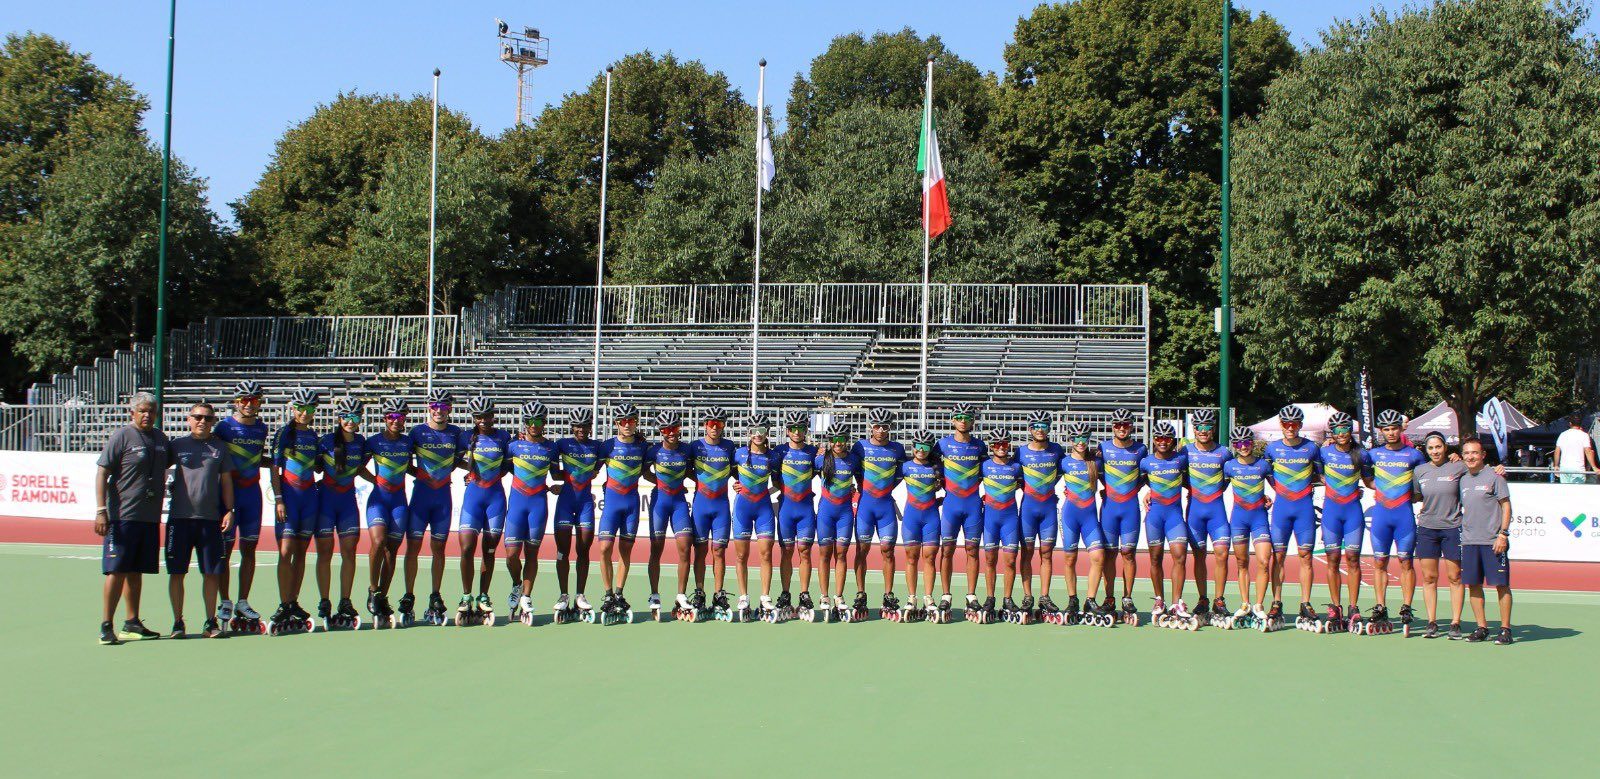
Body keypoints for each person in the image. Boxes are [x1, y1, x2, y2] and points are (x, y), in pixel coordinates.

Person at [96, 392, 171, 644]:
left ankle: (132, 622)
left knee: (136, 571)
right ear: (132, 413)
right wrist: (100, 510)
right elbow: (102, 473)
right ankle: (106, 625)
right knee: (116, 570)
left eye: (151, 411)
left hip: (149, 517)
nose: (147, 415)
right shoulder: (122, 436)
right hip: (122, 516)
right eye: (142, 411)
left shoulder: (160, 438)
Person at [164, 402, 236, 638]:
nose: (202, 421)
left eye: (207, 418)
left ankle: (209, 622)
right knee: (177, 573)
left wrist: (229, 510)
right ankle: (177, 623)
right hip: (179, 519)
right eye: (197, 417)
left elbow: (226, 481)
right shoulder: (176, 446)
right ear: (188, 419)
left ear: (213, 421)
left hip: (209, 520)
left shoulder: (220, 448)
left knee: (211, 573)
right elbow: (155, 470)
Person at [1366, 408, 1427, 633]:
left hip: (1404, 517)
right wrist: (1380, 489)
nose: (1391, 433)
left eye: (1395, 428)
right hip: (1382, 515)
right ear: (1381, 431)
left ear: (1401, 429)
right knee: (1379, 563)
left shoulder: (1414, 455)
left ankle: (1406, 607)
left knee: (1406, 563)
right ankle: (1380, 606)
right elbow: (1366, 478)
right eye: (1387, 429)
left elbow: (1424, 482)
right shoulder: (1372, 454)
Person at [214, 380, 268, 632]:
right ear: (236, 402)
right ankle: (224, 601)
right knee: (224, 551)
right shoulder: (223, 427)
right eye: (244, 400)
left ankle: (243, 601)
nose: (249, 404)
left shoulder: (262, 428)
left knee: (250, 549)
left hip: (252, 494)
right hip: (229, 496)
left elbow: (262, 457)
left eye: (254, 400)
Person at [268, 388, 322, 634]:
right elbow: (274, 469)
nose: (304, 413)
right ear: (293, 408)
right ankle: (283, 603)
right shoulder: (283, 434)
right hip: (288, 498)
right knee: (285, 550)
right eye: (300, 408)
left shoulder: (314, 436)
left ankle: (294, 601)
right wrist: (279, 498)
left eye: (309, 409)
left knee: (301, 552)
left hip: (309, 499)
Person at [1263, 405, 1321, 631]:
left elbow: (1320, 474)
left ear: (1300, 425)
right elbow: (1267, 475)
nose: (1290, 428)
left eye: (1294, 424)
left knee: (1306, 557)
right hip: (1281, 509)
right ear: (1281, 425)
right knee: (1277, 557)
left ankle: (1305, 603)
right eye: (1286, 424)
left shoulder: (1311, 448)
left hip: (1304, 508)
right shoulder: (1272, 449)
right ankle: (1276, 602)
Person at [408, 388, 463, 625]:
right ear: (428, 408)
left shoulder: (456, 433)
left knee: (439, 549)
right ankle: (409, 596)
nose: (438, 411)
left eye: (443, 407)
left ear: (449, 409)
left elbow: (465, 458)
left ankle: (434, 595)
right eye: (434, 406)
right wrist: (419, 474)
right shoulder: (417, 432)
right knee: (413, 549)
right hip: (420, 497)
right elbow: (402, 458)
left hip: (442, 499)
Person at [455, 396, 511, 624]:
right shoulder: (465, 437)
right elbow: (454, 460)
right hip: (473, 498)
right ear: (473, 418)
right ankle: (466, 596)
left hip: (495, 498)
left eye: (487, 416)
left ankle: (484, 595)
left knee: (489, 550)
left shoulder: (503, 437)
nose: (483, 420)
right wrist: (469, 473)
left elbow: (508, 466)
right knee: (467, 547)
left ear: (493, 416)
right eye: (479, 417)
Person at [314, 397, 367, 629]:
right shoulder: (325, 441)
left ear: (360, 420)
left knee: (349, 552)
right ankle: (325, 601)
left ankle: (345, 601)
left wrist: (378, 482)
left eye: (355, 417)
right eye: (346, 416)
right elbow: (314, 466)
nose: (350, 421)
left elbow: (362, 468)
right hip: (325, 501)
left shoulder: (362, 442)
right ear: (339, 418)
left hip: (347, 503)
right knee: (324, 553)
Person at [1317, 411, 1372, 629]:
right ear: (1332, 432)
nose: (1341, 433)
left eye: (1345, 429)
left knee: (1352, 560)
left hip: (1352, 514)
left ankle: (1353, 607)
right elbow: (1316, 475)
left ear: (1351, 431)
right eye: (1337, 430)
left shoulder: (1362, 454)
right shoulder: (1323, 453)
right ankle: (1335, 606)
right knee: (1332, 560)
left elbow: (1370, 482)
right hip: (1331, 512)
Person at [363, 397, 413, 625]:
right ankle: (373, 590)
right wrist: (375, 480)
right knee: (378, 542)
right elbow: (357, 465)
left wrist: (425, 475)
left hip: (400, 501)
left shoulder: (408, 442)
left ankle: (383, 595)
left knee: (392, 550)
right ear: (385, 419)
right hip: (379, 500)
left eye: (400, 417)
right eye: (392, 417)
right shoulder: (373, 441)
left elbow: (413, 466)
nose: (396, 420)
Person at [1458, 439, 1514, 644]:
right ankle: (1482, 627)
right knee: (1473, 585)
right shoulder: (1462, 479)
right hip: (1469, 541)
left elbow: (1506, 507)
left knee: (1501, 585)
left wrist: (1503, 534)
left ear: (1483, 455)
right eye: (1466, 453)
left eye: (1474, 453)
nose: (1470, 457)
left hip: (1493, 541)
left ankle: (1505, 629)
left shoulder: (1495, 477)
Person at [1413, 431, 1467, 639]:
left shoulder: (1458, 467)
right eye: (1431, 448)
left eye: (1438, 447)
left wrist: (1497, 469)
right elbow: (1416, 496)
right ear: (1426, 451)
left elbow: (1479, 471)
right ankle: (1432, 622)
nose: (1435, 451)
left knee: (1455, 577)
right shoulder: (1420, 471)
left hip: (1452, 527)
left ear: (1445, 447)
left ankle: (1455, 623)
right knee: (1429, 577)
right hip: (1427, 528)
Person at [853, 408, 906, 620]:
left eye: (885, 426)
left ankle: (888, 594)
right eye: (877, 426)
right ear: (870, 427)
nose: (881, 430)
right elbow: (847, 466)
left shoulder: (897, 449)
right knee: (862, 550)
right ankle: (860, 593)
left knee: (888, 551)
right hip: (866, 505)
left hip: (885, 507)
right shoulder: (860, 447)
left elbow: (901, 476)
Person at [506, 400, 556, 623]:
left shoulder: (551, 447)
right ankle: (517, 584)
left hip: (538, 504)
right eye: (529, 421)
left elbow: (558, 474)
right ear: (524, 423)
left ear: (544, 423)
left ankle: (526, 596)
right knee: (511, 555)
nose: (533, 425)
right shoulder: (513, 446)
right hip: (517, 504)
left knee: (532, 553)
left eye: (537, 421)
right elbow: (501, 469)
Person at [596, 402, 646, 621]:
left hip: (632, 504)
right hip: (612, 505)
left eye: (631, 421)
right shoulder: (606, 446)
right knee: (605, 547)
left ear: (636, 423)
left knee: (625, 551)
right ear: (617, 423)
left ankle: (619, 593)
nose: (627, 425)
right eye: (623, 421)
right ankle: (607, 595)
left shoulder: (643, 447)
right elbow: (588, 468)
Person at [644, 409, 697, 617]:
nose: (671, 432)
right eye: (667, 429)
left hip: (679, 503)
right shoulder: (653, 451)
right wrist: (660, 484)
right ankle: (654, 594)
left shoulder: (687, 450)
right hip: (659, 501)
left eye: (674, 428)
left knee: (685, 547)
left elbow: (694, 470)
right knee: (656, 549)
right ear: (661, 432)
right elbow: (645, 472)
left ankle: (681, 594)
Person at [1181, 409, 1231, 624]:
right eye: (1199, 427)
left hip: (1216, 511)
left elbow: (1229, 479)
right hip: (1194, 511)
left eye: (1207, 427)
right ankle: (1202, 598)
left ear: (1213, 429)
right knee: (1198, 555)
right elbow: (1174, 476)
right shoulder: (1185, 452)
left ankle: (1219, 600)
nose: (1203, 431)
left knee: (1221, 554)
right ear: (1194, 429)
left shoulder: (1224, 452)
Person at [1098, 407, 1147, 624]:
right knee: (1109, 555)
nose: (1121, 428)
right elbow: (1096, 473)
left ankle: (1127, 597)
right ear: (1112, 427)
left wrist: (1143, 492)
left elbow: (1146, 476)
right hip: (1109, 508)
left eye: (1125, 425)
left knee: (1128, 553)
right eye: (1117, 425)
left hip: (1130, 509)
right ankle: (1109, 598)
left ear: (1131, 427)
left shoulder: (1141, 449)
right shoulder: (1103, 448)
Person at [936, 402, 985, 617]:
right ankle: (946, 595)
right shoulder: (942, 444)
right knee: (947, 550)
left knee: (972, 550)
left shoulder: (980, 446)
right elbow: (929, 466)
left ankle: (971, 595)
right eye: (959, 416)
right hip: (951, 505)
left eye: (967, 417)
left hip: (973, 504)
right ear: (952, 420)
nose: (963, 420)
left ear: (973, 421)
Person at [688, 406, 737, 616]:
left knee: (719, 551)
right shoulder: (694, 447)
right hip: (701, 504)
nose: (715, 427)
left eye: (719, 424)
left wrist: (741, 484)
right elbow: (681, 467)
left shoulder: (729, 447)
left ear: (724, 426)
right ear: (704, 426)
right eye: (711, 424)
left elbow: (740, 470)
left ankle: (718, 593)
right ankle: (699, 593)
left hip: (721, 507)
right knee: (699, 551)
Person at [552, 406, 601, 619]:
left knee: (583, 549)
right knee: (563, 550)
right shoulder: (562, 444)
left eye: (585, 425)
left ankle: (580, 594)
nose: (581, 429)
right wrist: (566, 482)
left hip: (585, 504)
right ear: (572, 427)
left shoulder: (598, 446)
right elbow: (554, 473)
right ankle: (563, 595)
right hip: (565, 501)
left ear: (591, 427)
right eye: (578, 426)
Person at [1140, 421, 1191, 624]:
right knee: (1155, 559)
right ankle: (1159, 600)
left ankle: (1176, 602)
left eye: (1167, 438)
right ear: (1154, 440)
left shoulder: (1181, 460)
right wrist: (1148, 493)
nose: (1163, 442)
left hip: (1174, 516)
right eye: (1159, 438)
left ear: (1173, 441)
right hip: (1154, 517)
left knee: (1180, 556)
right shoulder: (1146, 462)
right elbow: (1139, 482)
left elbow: (1191, 481)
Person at [1223, 426, 1273, 626]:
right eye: (1238, 443)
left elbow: (1280, 486)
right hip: (1239, 520)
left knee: (1263, 560)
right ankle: (1245, 603)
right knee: (1242, 563)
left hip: (1259, 518)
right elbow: (1215, 489)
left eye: (1246, 442)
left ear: (1252, 443)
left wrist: (1267, 497)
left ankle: (1259, 605)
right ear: (1234, 446)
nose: (1243, 446)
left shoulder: (1263, 466)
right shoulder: (1229, 466)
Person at [1016, 410, 1064, 620]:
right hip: (1028, 508)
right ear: (1030, 429)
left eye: (1044, 426)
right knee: (1026, 553)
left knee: (1047, 553)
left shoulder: (1057, 450)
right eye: (1036, 426)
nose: (1040, 430)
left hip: (1048, 510)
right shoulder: (1020, 452)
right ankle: (1028, 596)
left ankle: (1044, 596)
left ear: (1049, 428)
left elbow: (1066, 471)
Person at [732, 412, 779, 619]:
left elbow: (778, 483)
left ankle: (765, 596)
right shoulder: (738, 454)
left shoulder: (773, 456)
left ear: (767, 433)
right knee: (741, 556)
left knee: (766, 554)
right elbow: (730, 475)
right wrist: (736, 485)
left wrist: (763, 493)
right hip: (743, 508)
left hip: (764, 509)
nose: (758, 435)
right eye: (754, 431)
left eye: (761, 430)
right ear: (748, 433)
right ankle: (743, 596)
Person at [1058, 422, 1106, 624]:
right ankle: (1072, 599)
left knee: (1098, 557)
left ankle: (1090, 599)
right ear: (1070, 441)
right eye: (1076, 438)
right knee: (1070, 560)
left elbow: (1111, 484)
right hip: (1069, 516)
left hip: (1089, 518)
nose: (1080, 442)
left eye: (1084, 438)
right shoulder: (1063, 462)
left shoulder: (1096, 462)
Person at [775, 410, 819, 619]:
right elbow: (767, 474)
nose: (797, 432)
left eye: (801, 428)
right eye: (793, 428)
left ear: (805, 430)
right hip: (786, 509)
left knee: (805, 553)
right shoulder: (779, 452)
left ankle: (804, 593)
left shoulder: (813, 452)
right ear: (787, 431)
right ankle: (785, 593)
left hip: (805, 510)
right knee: (786, 552)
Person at [978, 427, 1022, 622]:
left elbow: (1028, 487)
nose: (1001, 447)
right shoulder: (984, 466)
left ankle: (1008, 598)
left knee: (1010, 561)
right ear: (991, 446)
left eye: (1005, 444)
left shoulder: (1016, 467)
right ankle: (990, 598)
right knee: (990, 560)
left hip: (1010, 518)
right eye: (997, 444)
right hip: (990, 519)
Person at [815, 423, 859, 619]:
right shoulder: (820, 460)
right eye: (834, 440)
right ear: (829, 441)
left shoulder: (854, 460)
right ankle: (824, 596)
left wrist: (855, 490)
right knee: (824, 554)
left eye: (841, 439)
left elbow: (865, 480)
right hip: (825, 511)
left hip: (845, 513)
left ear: (846, 441)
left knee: (841, 554)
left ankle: (838, 596)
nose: (838, 443)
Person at [899, 429, 942, 620]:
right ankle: (911, 598)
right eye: (918, 445)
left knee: (930, 558)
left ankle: (929, 598)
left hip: (931, 517)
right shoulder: (905, 466)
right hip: (911, 518)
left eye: (926, 446)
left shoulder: (937, 468)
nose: (921, 450)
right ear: (913, 446)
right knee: (911, 558)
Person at [1555, 413, 1597, 484]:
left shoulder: (1563, 435)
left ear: (1570, 423)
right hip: (1578, 468)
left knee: (1565, 491)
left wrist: (1556, 465)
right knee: (1577, 492)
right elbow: (1588, 451)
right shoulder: (1584, 435)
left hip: (1564, 468)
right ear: (1580, 424)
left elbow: (1557, 451)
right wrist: (1594, 467)